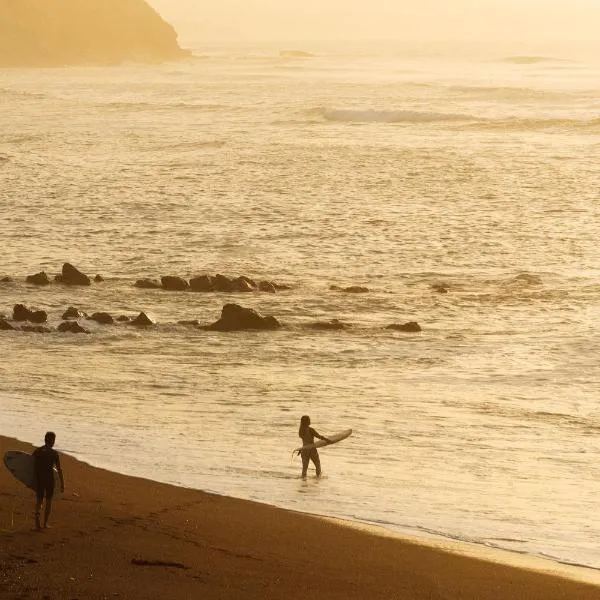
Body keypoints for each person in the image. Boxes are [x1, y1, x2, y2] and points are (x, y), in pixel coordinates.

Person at [33, 431, 65, 530]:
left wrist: (30, 479)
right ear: (52, 441)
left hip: (39, 479)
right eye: (54, 440)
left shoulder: (37, 451)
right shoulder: (54, 453)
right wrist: (62, 483)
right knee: (48, 502)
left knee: (39, 501)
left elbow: (30, 464)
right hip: (49, 480)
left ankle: (37, 515)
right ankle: (45, 524)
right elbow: (59, 469)